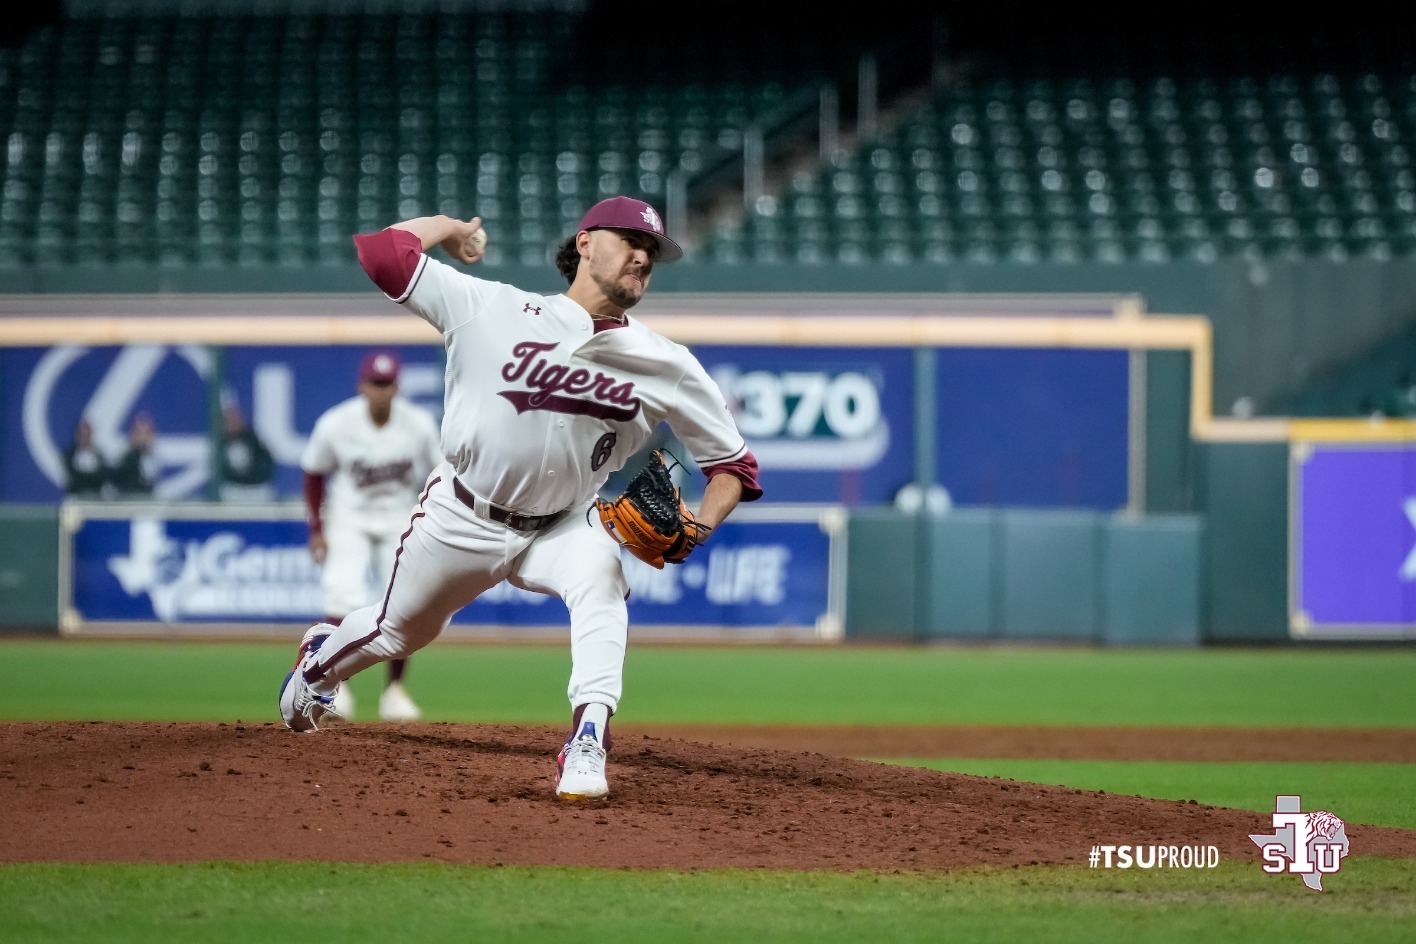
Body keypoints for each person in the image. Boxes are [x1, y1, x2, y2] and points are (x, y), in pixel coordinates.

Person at [278, 195, 763, 801]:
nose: (643, 258)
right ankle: (317, 665)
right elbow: (382, 254)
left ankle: (588, 741)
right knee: (396, 633)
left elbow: (734, 465)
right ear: (585, 243)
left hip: (561, 524)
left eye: (653, 253)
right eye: (631, 243)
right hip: (462, 514)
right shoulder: (491, 307)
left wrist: (701, 520)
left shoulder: (667, 364)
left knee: (601, 578)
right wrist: (450, 228)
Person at [300, 350, 442, 722]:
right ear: (362, 386)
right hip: (348, 517)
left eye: (388, 384)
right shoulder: (337, 422)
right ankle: (335, 689)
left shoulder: (419, 424)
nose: (382, 391)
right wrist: (316, 529)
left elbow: (440, 473)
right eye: (375, 384)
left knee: (403, 603)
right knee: (341, 593)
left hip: (399, 516)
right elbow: (313, 473)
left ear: (398, 387)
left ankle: (394, 691)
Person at [216, 397, 276, 502]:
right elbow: (219, 469)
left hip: (257, 489)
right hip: (232, 490)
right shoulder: (218, 444)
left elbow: (267, 462)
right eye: (228, 419)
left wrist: (255, 478)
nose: (233, 422)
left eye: (235, 417)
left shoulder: (253, 439)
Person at [109, 413, 158, 497]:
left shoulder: (155, 457)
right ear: (132, 435)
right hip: (127, 501)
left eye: (146, 433)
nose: (142, 438)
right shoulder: (123, 458)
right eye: (139, 433)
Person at [62, 418, 109, 497]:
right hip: (76, 494)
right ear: (76, 435)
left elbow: (103, 475)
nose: (83, 438)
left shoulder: (99, 455)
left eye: (86, 435)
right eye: (81, 435)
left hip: (96, 495)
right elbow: (72, 476)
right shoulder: (69, 455)